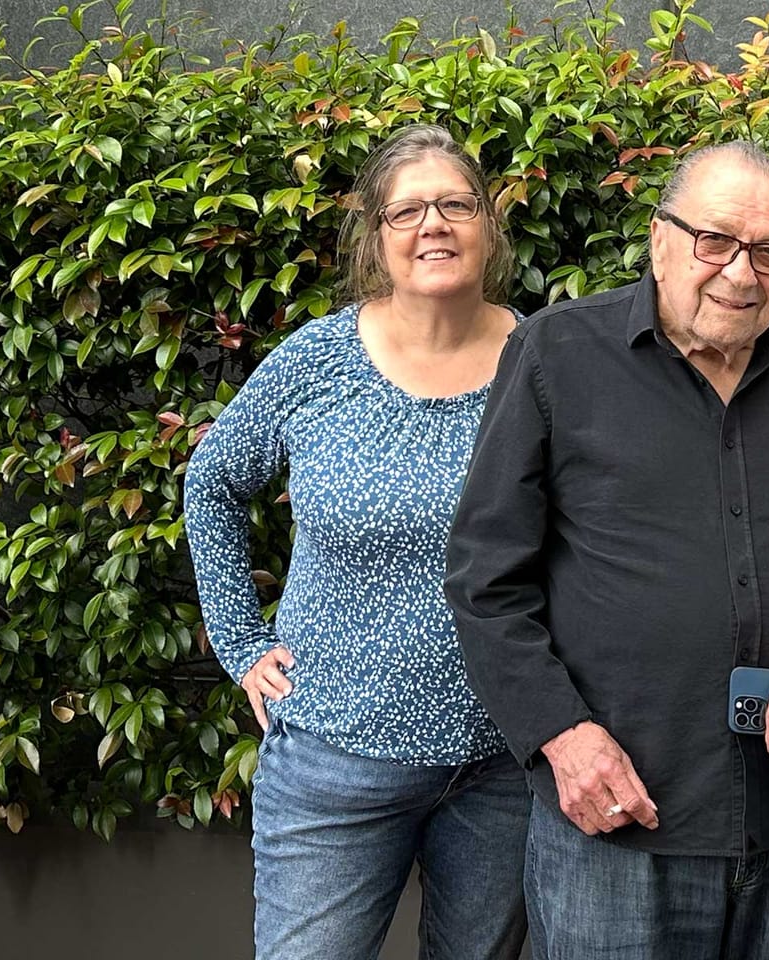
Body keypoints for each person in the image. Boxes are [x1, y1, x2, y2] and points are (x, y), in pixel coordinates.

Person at [443, 141, 769, 960]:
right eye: (717, 241)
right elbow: (484, 581)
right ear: (660, 237)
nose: (742, 275)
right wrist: (561, 737)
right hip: (619, 822)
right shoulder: (556, 356)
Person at [184, 123, 527, 960]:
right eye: (407, 210)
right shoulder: (318, 360)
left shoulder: (546, 362)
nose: (433, 225)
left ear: (490, 224)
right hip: (335, 761)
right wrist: (240, 642)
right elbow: (213, 482)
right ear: (375, 238)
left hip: (506, 764)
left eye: (455, 204)